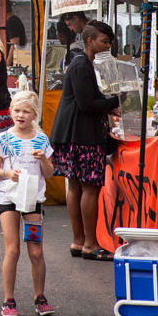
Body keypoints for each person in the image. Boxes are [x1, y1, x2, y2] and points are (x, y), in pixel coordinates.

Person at [50, 20, 120, 261]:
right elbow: (87, 104)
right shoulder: (81, 65)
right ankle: (88, 242)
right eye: (104, 41)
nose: (107, 46)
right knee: (88, 187)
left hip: (74, 134)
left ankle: (79, 241)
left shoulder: (83, 64)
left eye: (109, 42)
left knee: (77, 186)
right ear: (90, 41)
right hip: (81, 135)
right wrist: (114, 102)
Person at [0, 91, 55, 316]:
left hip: (32, 199)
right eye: (17, 110)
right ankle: (8, 300)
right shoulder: (4, 138)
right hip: (8, 197)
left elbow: (49, 173)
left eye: (26, 111)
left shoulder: (41, 139)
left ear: (34, 114)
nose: (21, 115)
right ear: (10, 112)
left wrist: (43, 160)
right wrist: (7, 172)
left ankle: (40, 297)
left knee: (35, 250)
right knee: (13, 249)